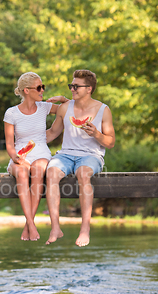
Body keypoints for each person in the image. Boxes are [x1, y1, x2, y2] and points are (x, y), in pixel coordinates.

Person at [45, 70, 115, 246]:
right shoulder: (64, 108)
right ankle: (55, 227)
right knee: (51, 172)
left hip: (91, 156)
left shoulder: (103, 110)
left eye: (76, 86)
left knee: (83, 174)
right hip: (66, 154)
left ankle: (85, 229)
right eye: (71, 85)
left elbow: (111, 142)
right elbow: (52, 133)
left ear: (89, 88)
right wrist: (25, 140)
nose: (72, 89)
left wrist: (97, 135)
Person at [4, 72, 68, 241]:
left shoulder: (44, 107)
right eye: (39, 87)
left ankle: (28, 225)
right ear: (26, 90)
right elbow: (10, 144)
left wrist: (62, 99)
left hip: (40, 151)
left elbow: (69, 108)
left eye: (43, 87)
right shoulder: (11, 113)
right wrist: (16, 158)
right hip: (20, 153)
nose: (42, 91)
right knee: (23, 173)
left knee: (38, 171)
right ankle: (31, 224)